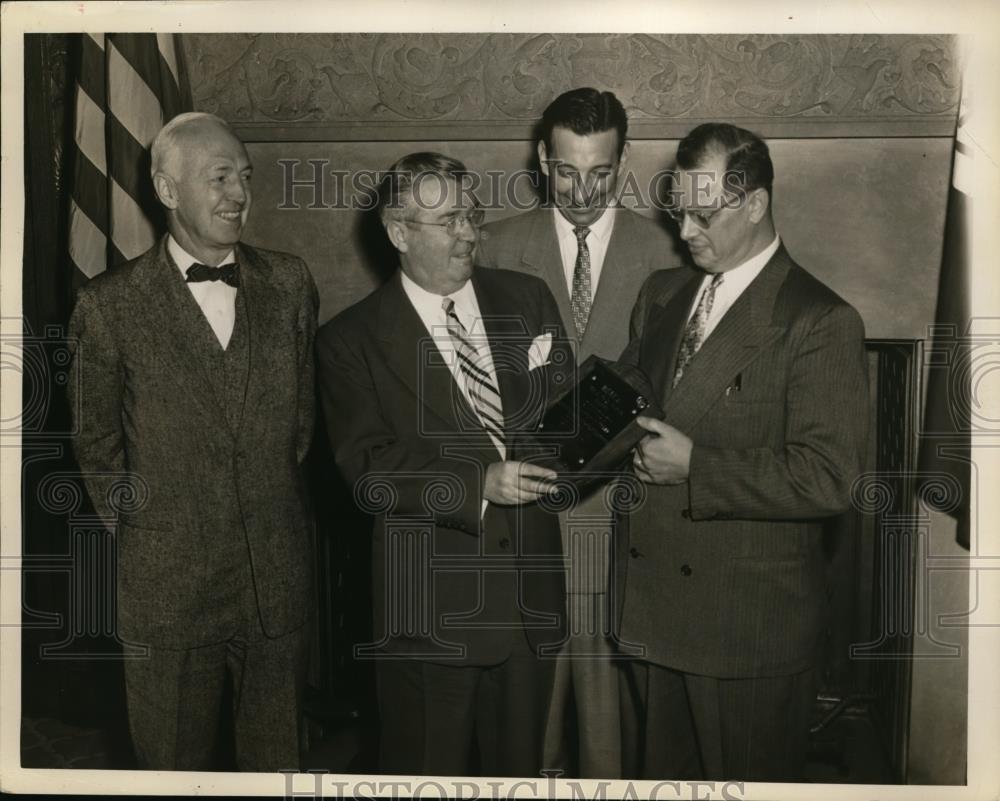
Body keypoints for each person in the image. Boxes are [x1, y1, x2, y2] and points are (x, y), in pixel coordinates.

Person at [616, 122, 869, 781]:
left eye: (704, 214)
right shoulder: (660, 293)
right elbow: (627, 405)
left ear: (755, 204)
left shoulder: (819, 320)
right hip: (653, 610)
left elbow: (829, 478)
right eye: (679, 211)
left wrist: (698, 467)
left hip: (746, 629)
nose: (686, 231)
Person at [67, 112, 318, 771]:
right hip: (166, 592)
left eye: (245, 177)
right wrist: (153, 533)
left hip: (276, 579)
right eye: (219, 177)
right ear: (168, 189)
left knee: (278, 770)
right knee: (170, 770)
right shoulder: (109, 305)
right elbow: (95, 449)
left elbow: (300, 429)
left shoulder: (290, 284)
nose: (238, 193)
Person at [316, 152, 573, 777]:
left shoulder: (528, 297)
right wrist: (478, 484)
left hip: (530, 605)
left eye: (472, 214)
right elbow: (369, 470)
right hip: (428, 617)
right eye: (449, 220)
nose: (469, 232)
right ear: (399, 233)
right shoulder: (349, 340)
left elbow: (559, 417)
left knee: (520, 779)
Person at [476, 87, 679, 778]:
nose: (583, 191)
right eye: (566, 172)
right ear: (541, 159)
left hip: (624, 519)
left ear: (623, 162)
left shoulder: (670, 254)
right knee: (521, 726)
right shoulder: (493, 246)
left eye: (600, 172)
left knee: (609, 727)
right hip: (520, 520)